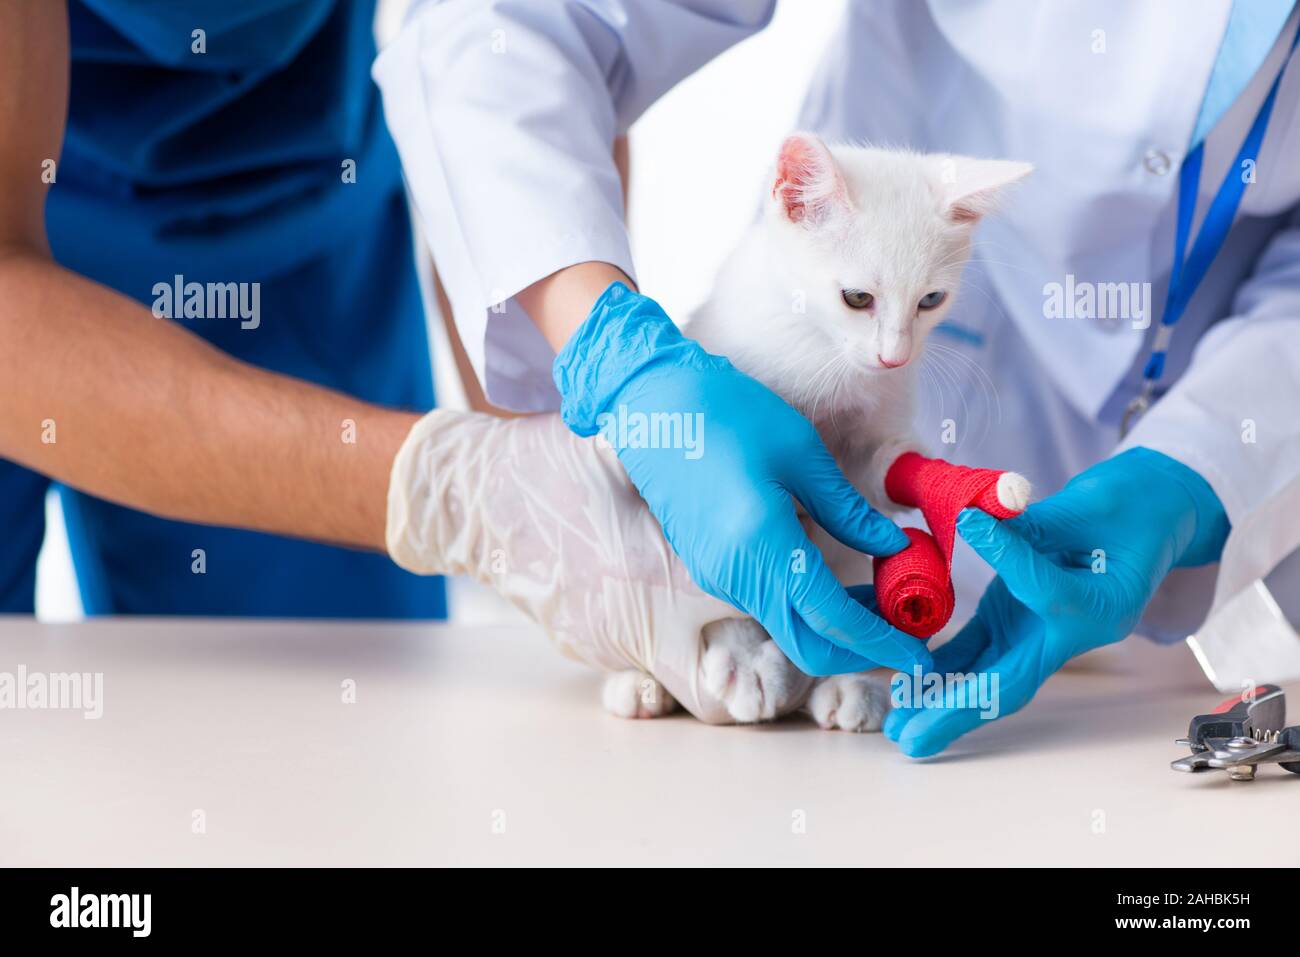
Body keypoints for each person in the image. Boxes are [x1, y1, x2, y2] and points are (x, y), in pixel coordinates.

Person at [373, 0, 1300, 754]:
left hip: (1161, 605)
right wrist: (615, 352)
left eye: (921, 314)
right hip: (864, 237)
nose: (897, 349)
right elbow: (505, 24)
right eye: (869, 310)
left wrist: (1188, 476)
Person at [1, 0, 922, 676]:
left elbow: (524, 41)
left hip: (294, 210)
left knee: (309, 757)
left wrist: (586, 468)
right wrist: (468, 492)